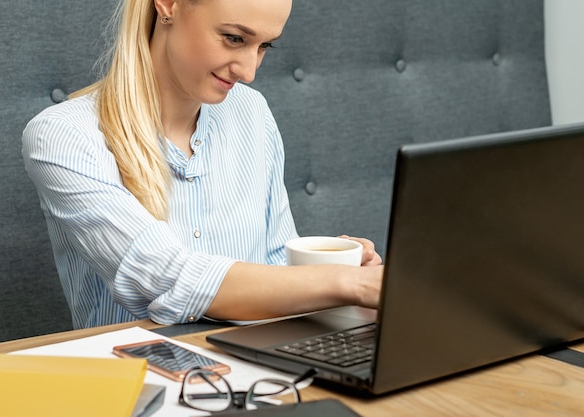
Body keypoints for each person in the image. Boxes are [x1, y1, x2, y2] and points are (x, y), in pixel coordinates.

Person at [22, 0, 383, 329]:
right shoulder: (64, 136)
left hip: (261, 375)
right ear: (168, 5)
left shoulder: (252, 112)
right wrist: (346, 284)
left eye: (264, 47)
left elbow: (275, 265)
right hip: (136, 384)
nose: (249, 70)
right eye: (233, 38)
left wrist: (331, 270)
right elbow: (165, 278)